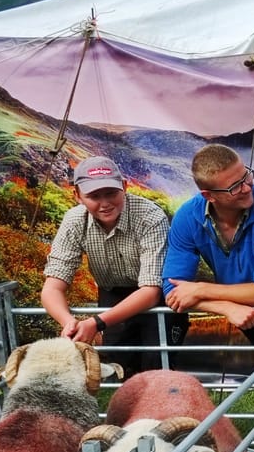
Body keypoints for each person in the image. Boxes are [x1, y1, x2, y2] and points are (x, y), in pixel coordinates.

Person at [162, 144, 254, 436]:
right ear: (209, 196)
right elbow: (172, 289)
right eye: (235, 186)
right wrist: (225, 307)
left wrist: (201, 289)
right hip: (238, 306)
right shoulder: (187, 217)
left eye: (246, 176)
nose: (246, 187)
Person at [41, 155, 184, 378]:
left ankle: (163, 408)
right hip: (112, 292)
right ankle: (130, 410)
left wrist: (96, 323)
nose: (105, 203)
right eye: (94, 196)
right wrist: (69, 322)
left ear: (124, 187)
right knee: (121, 366)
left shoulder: (150, 216)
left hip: (156, 294)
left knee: (158, 366)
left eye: (111, 193)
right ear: (77, 196)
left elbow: (151, 291)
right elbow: (52, 288)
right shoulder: (74, 222)